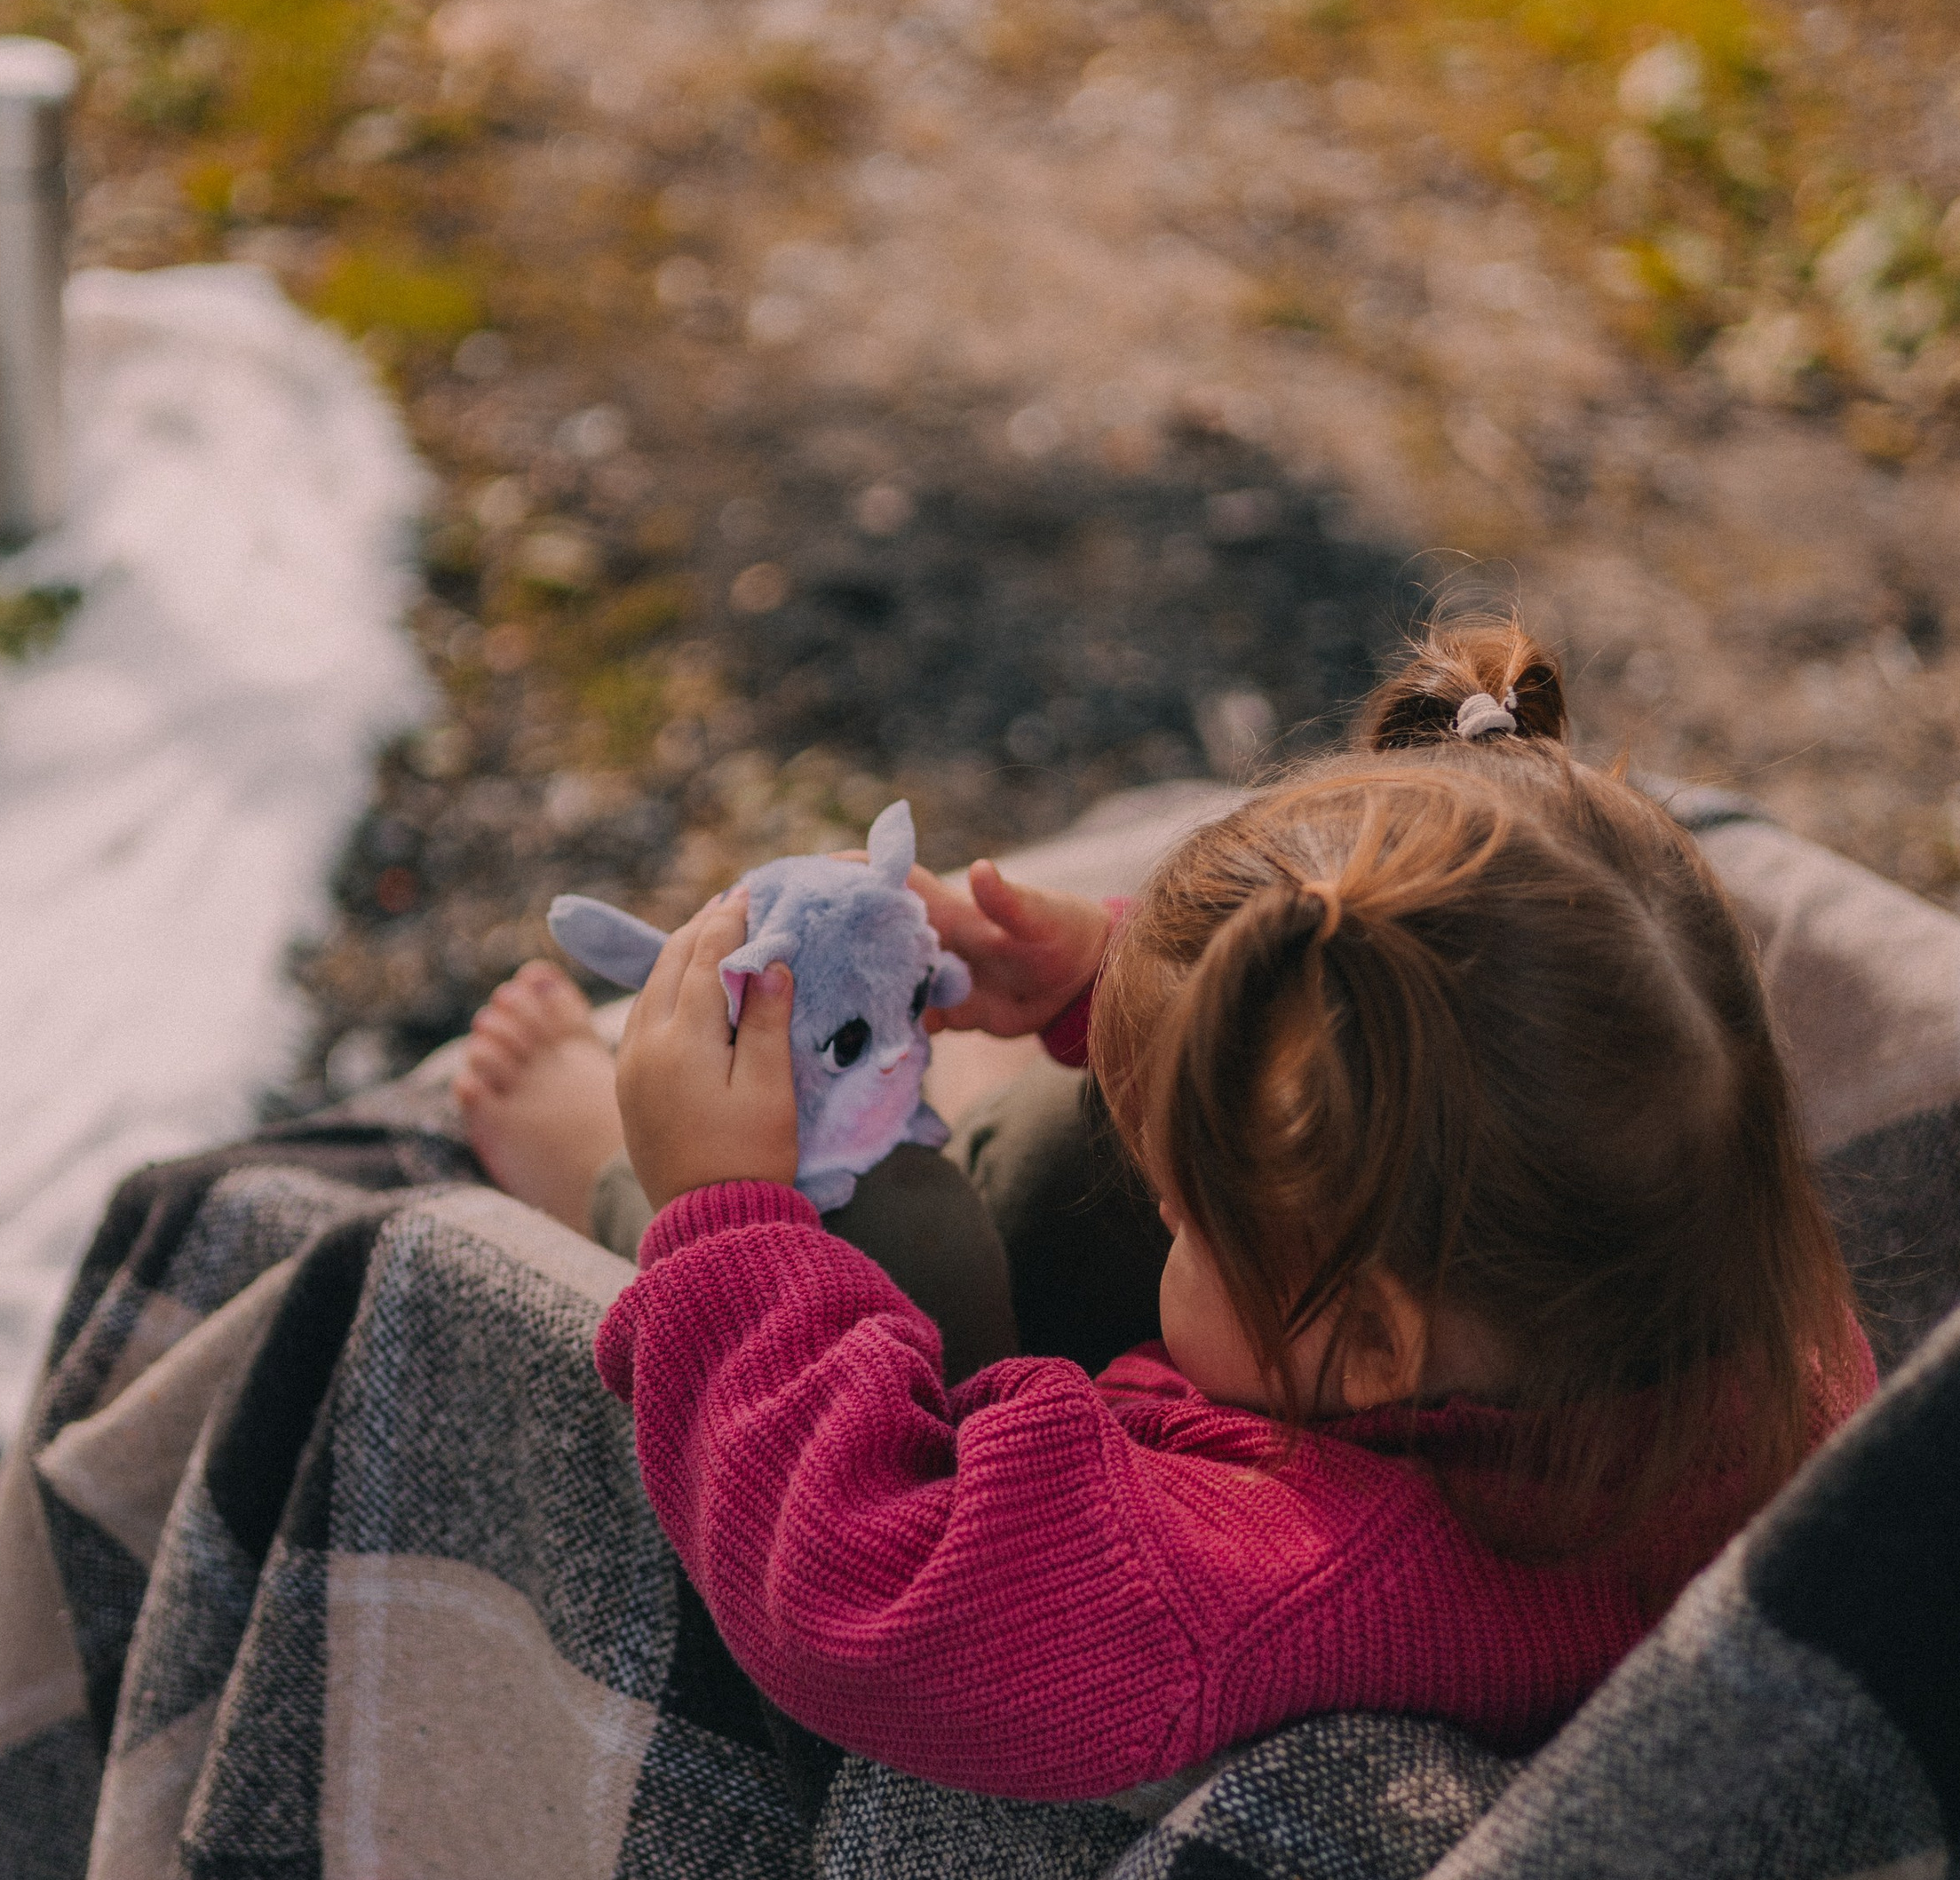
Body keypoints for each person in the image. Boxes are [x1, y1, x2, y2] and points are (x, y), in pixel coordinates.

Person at [454, 622, 1873, 1802]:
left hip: (1018, 1574)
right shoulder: (1738, 1300)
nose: (1160, 1219)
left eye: (1187, 1217)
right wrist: (1121, 987)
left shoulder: (1253, 1586)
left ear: (1370, 1344)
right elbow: (1486, 1048)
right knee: (1043, 1141)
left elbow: (874, 1596)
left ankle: (602, 1174)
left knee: (897, 1231)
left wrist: (726, 1213)